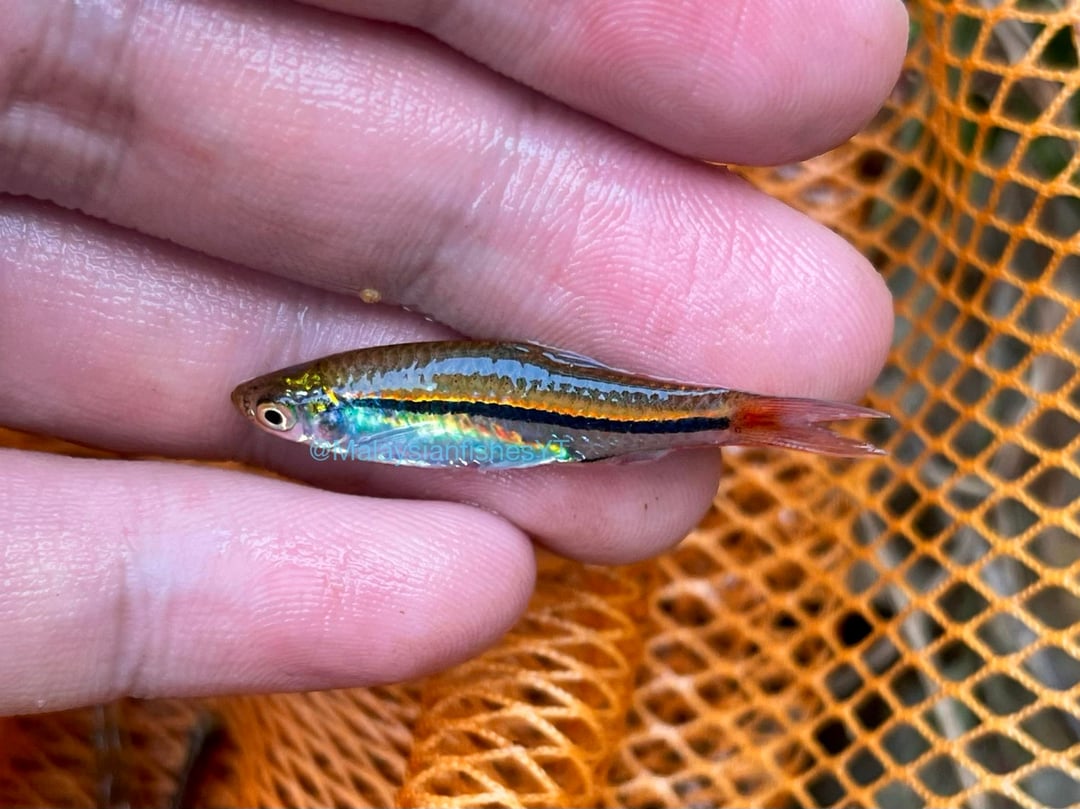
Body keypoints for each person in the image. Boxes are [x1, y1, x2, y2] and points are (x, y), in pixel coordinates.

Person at [0, 0, 907, 715]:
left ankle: (757, 417)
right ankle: (757, 419)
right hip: (539, 411)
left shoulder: (350, 410)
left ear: (325, 413)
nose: (280, 425)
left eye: (278, 417)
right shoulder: (349, 407)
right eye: (277, 417)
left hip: (542, 411)